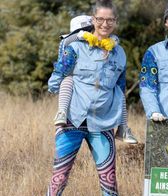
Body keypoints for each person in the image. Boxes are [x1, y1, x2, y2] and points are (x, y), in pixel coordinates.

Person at [45, 0, 125, 196]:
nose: (105, 24)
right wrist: (61, 87)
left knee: (109, 181)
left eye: (109, 20)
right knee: (59, 178)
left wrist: (123, 123)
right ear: (93, 20)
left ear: (115, 22)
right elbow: (57, 78)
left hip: (103, 123)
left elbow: (120, 88)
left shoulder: (120, 53)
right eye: (100, 19)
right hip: (72, 121)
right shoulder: (75, 47)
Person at [48, 15, 137, 144]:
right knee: (68, 79)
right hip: (75, 102)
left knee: (118, 92)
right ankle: (61, 112)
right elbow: (59, 73)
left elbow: (119, 81)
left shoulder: (113, 50)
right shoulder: (74, 47)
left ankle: (123, 127)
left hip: (101, 106)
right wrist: (55, 86)